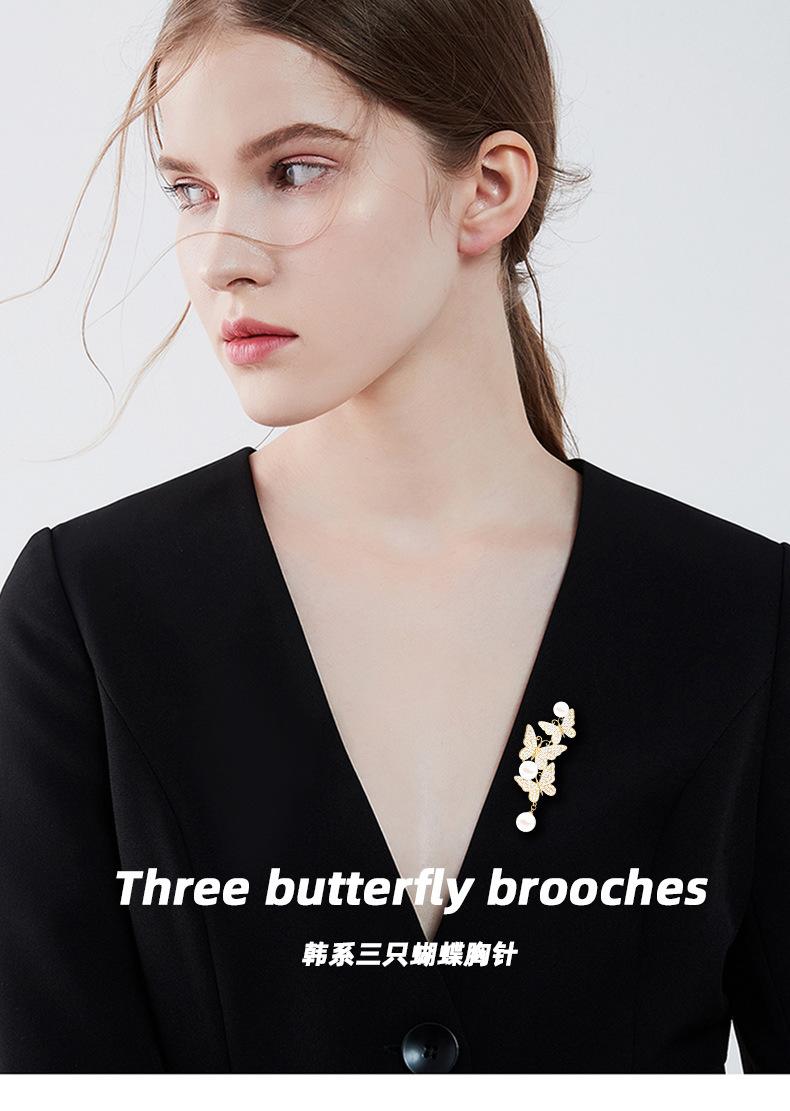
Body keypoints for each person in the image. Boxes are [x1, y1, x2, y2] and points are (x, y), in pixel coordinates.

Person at [0, 0, 787, 1076]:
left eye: (295, 171)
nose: (219, 257)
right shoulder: (90, 613)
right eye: (189, 189)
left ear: (489, 187)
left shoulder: (739, 615)